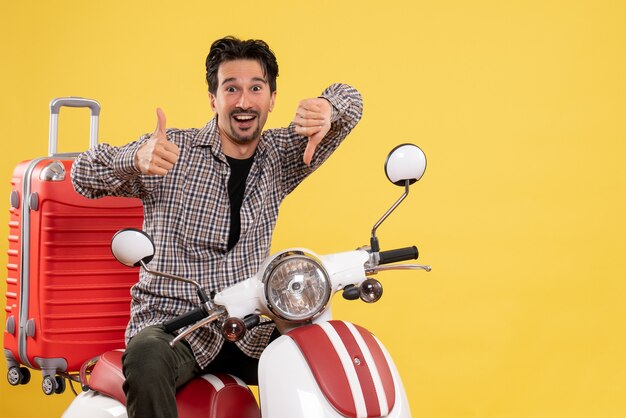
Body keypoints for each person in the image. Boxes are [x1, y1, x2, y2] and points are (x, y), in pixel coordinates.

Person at [71, 36, 363, 417]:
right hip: (174, 326)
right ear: (214, 99)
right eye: (231, 89)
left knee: (325, 349)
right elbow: (82, 174)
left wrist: (328, 108)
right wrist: (134, 158)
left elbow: (352, 101)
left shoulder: (281, 155)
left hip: (246, 327)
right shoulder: (171, 151)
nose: (244, 101)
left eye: (255, 88)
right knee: (145, 360)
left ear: (272, 99)